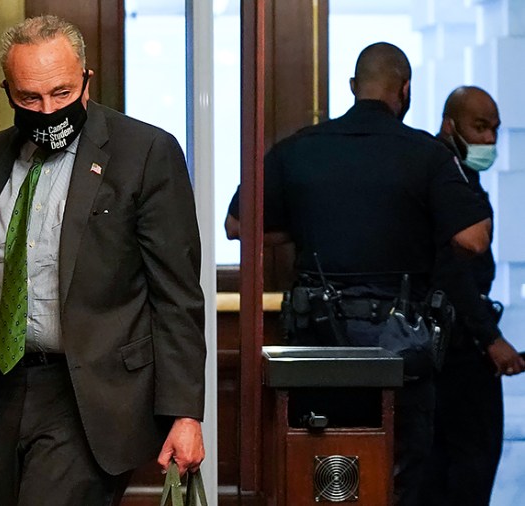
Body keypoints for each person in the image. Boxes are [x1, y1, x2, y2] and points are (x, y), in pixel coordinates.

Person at [0, 15, 206, 506]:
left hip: (93, 394)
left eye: (62, 94)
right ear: (8, 91)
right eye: (30, 98)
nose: (47, 109)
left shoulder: (145, 152)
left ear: (86, 81)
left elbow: (175, 295)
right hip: (12, 384)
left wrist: (185, 414)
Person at [225, 43, 493, 506]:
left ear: (353, 88)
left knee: (320, 470)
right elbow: (474, 239)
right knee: (397, 474)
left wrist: (311, 225)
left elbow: (238, 226)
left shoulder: (299, 148)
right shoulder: (426, 155)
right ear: (405, 90)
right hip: (400, 346)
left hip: (316, 348)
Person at [423, 86, 525, 506]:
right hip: (457, 343)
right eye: (480, 127)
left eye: (495, 130)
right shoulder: (443, 176)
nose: (489, 140)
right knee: (467, 465)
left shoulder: (463, 175)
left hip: (452, 338)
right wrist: (490, 338)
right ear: (450, 126)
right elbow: (451, 270)